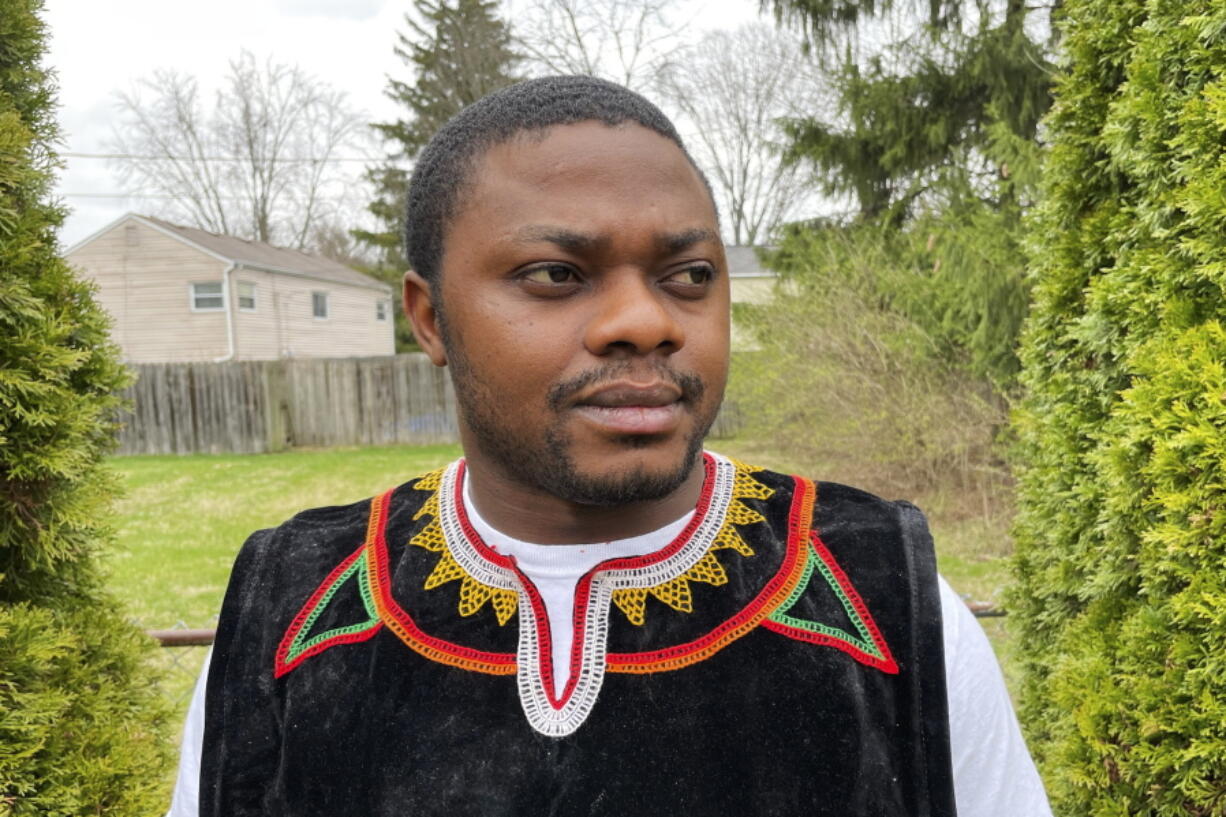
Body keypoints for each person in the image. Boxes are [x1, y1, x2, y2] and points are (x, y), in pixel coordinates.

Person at [170, 75, 1050, 816]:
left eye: (689, 277)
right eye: (557, 274)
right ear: (431, 318)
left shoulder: (879, 594)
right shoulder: (295, 610)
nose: (646, 320)